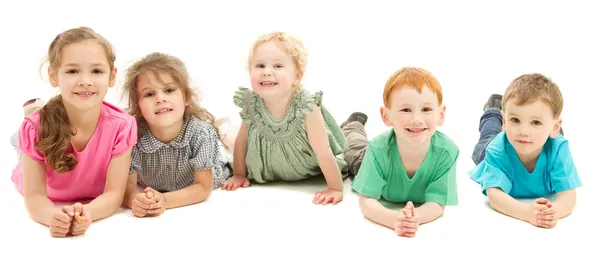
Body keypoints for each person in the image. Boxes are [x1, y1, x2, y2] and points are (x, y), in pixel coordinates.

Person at [10, 26, 137, 237]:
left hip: (86, 169)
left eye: (96, 71)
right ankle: (34, 112)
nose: (85, 80)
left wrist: (86, 214)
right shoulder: (34, 129)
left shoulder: (123, 126)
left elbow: (114, 194)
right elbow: (34, 198)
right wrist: (53, 216)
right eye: (72, 71)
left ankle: (36, 111)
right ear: (53, 75)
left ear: (112, 76)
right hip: (42, 164)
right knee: (20, 140)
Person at [219, 31, 348, 205]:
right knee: (235, 143)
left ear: (297, 76)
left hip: (301, 164)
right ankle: (224, 130)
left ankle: (226, 130)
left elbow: (323, 150)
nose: (267, 72)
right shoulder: (252, 103)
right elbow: (243, 141)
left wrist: (335, 188)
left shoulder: (306, 106)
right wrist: (239, 174)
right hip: (264, 160)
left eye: (278, 66)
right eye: (260, 66)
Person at [342, 67, 459, 237]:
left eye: (426, 109)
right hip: (363, 160)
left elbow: (437, 203)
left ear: (441, 114)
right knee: (353, 149)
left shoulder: (447, 152)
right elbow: (366, 201)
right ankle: (353, 124)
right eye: (406, 110)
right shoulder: (377, 150)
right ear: (386, 116)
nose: (417, 120)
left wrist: (415, 218)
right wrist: (393, 219)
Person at [121, 52, 233, 217]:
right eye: (149, 94)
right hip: (154, 183)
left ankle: (225, 131)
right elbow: (128, 188)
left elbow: (203, 188)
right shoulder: (132, 136)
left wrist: (165, 200)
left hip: (215, 166)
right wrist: (137, 201)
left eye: (169, 90)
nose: (160, 99)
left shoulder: (200, 133)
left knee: (232, 155)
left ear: (186, 97)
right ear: (138, 107)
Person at [469, 73, 581, 229]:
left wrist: (553, 212)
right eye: (515, 120)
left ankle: (545, 128)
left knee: (550, 140)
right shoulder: (496, 149)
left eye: (535, 122)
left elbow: (568, 196)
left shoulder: (559, 149)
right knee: (489, 132)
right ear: (505, 121)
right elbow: (494, 195)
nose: (523, 131)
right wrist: (528, 213)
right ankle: (494, 109)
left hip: (541, 138)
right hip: (493, 148)